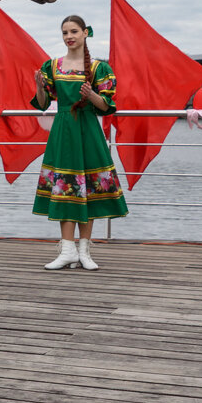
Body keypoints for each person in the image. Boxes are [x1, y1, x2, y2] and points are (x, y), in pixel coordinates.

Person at [32, 16, 128, 270]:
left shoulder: (99, 68)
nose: (68, 36)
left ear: (86, 33)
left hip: (88, 130)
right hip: (63, 131)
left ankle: (84, 250)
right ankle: (67, 249)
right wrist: (39, 87)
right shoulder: (52, 66)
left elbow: (107, 106)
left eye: (74, 31)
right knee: (65, 187)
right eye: (64, 32)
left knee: (90, 189)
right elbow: (42, 104)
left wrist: (92, 95)